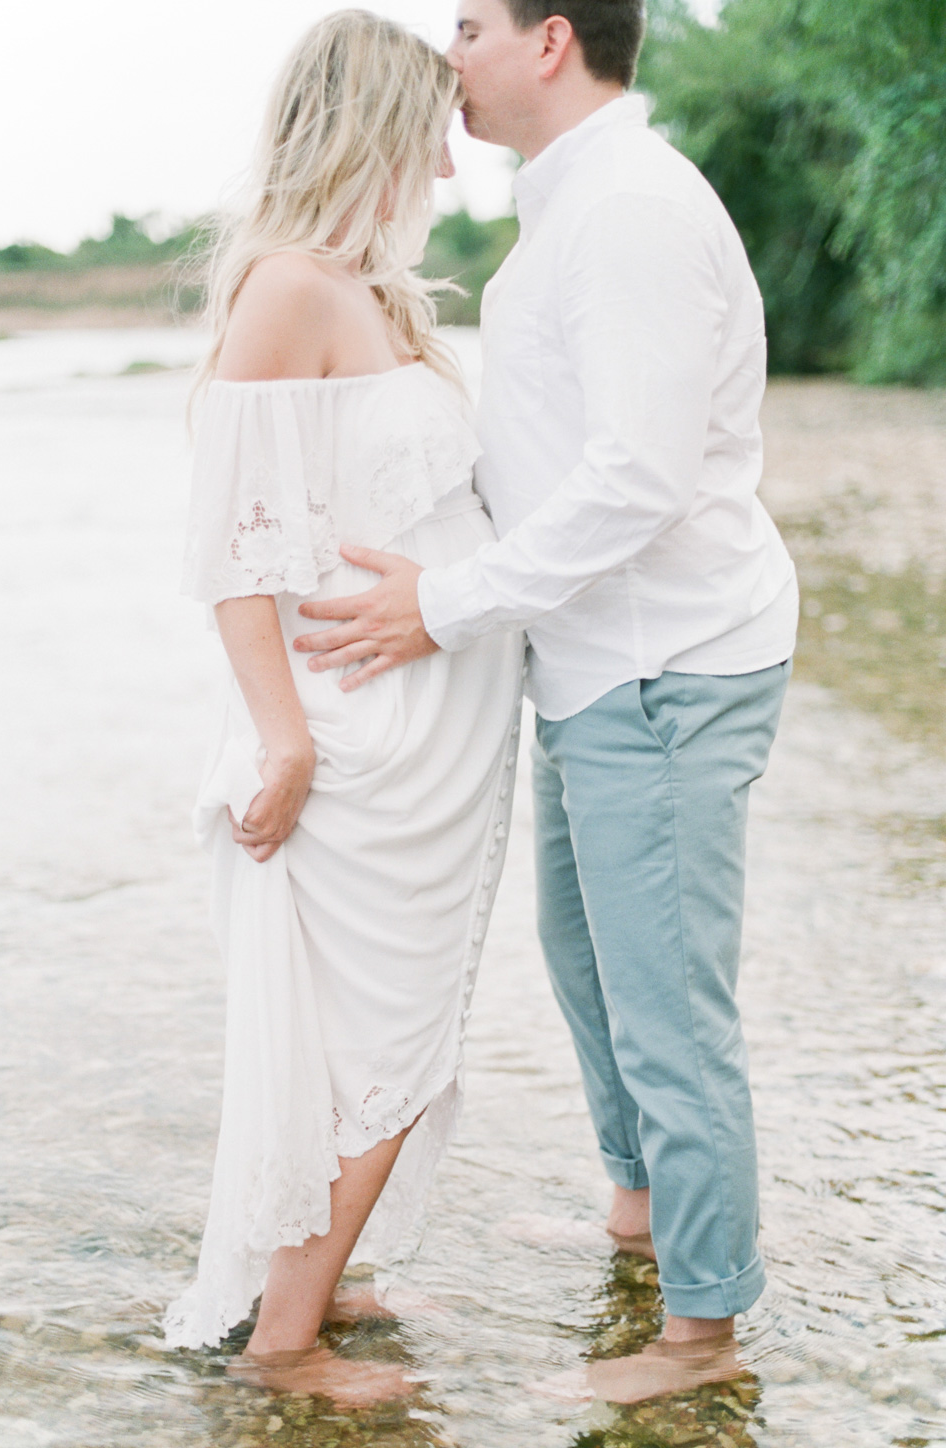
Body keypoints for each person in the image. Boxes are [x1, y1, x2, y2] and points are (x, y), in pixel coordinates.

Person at [294, 0, 799, 1405]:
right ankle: (639, 1215)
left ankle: (701, 1334)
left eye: (468, 26)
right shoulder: (572, 202)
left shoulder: (629, 207)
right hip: (591, 660)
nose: (447, 52)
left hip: (666, 661)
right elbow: (556, 453)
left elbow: (635, 479)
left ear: (551, 39)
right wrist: (445, 560)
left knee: (666, 1003)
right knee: (587, 965)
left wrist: (441, 607)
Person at [162, 10, 524, 1405]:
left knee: (394, 1032)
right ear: (370, 120)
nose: (445, 155)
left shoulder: (375, 293)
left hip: (438, 734)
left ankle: (315, 1277)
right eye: (428, 124)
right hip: (359, 738)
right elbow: (233, 556)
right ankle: (284, 1349)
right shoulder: (289, 290)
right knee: (382, 1038)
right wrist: (288, 738)